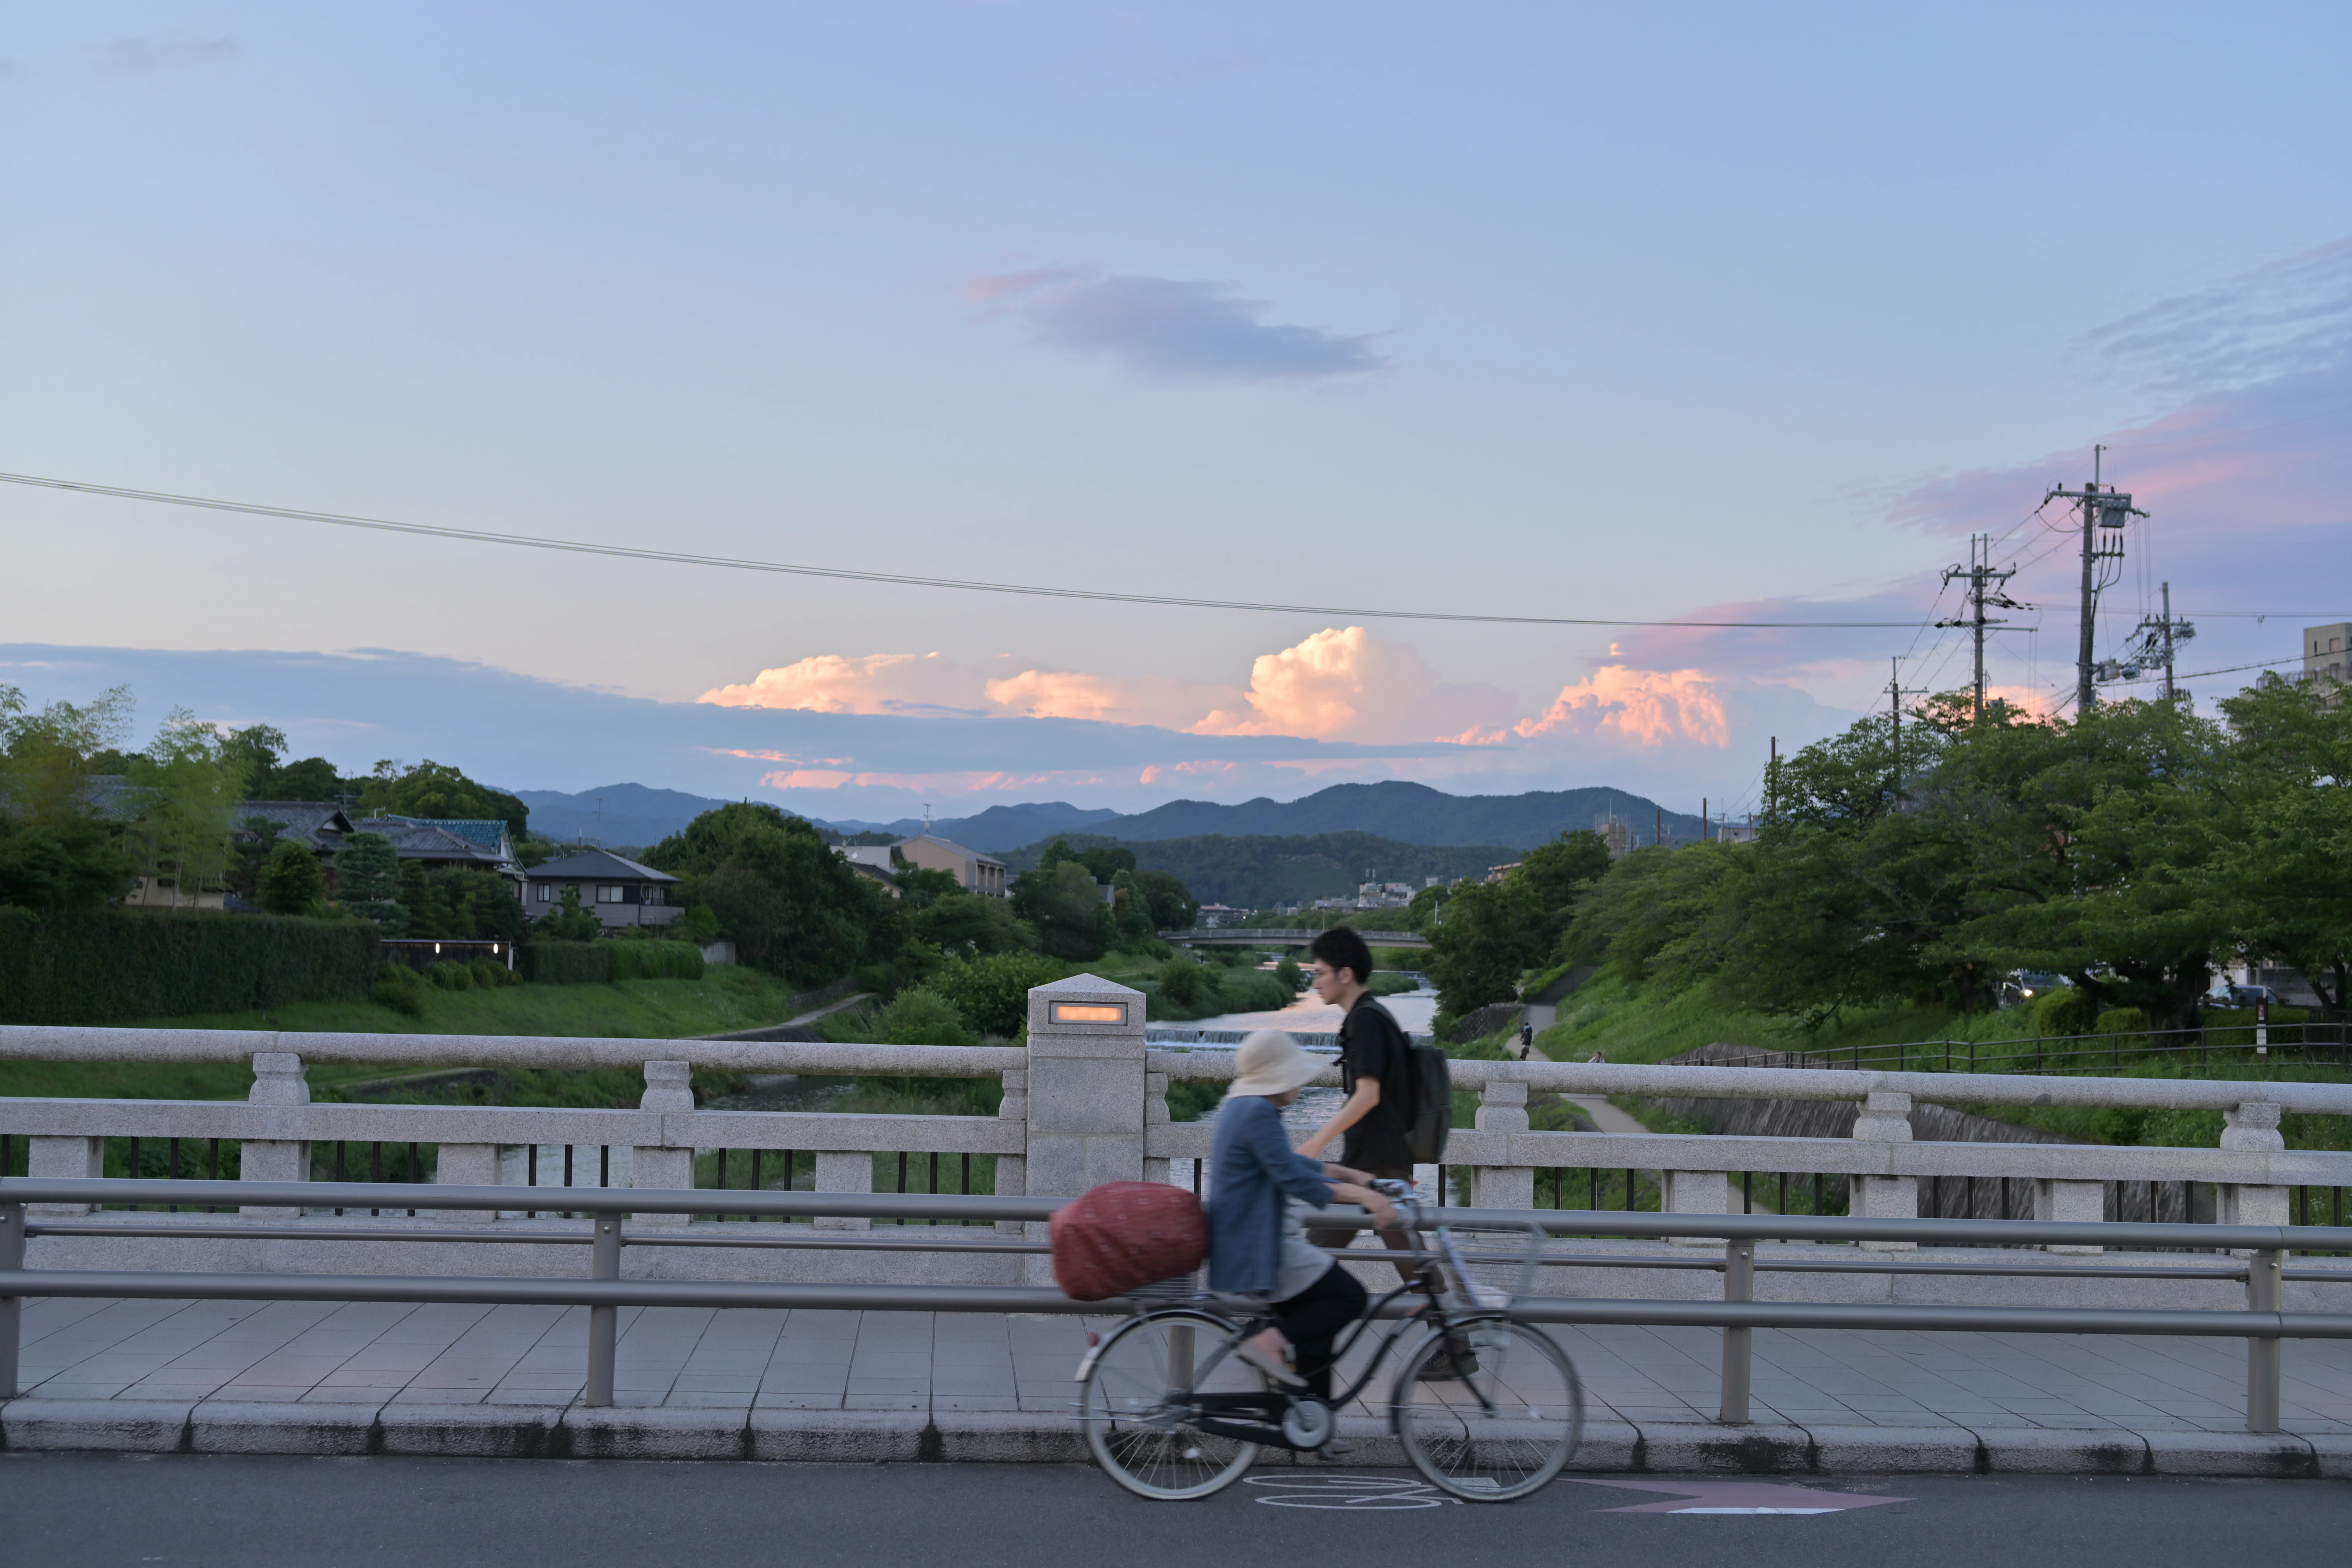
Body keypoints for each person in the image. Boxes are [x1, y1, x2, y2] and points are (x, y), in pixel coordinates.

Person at [1206, 1029, 1396, 1409]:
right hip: (1262, 1246)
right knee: (1349, 1298)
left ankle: (1314, 1422)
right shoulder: (1258, 1112)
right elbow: (1291, 1177)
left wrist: (1349, 1175)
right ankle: (1267, 1342)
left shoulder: (1244, 1106)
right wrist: (1365, 1196)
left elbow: (1285, 1162)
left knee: (1316, 1334)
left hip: (1253, 1239)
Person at [1295, 927, 1419, 1283]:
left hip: (1376, 1167)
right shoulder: (1374, 1015)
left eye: (1320, 973)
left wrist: (1315, 1143)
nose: (1316, 982)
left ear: (1345, 974)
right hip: (1373, 1165)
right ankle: (1456, 1334)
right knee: (1418, 1270)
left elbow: (1369, 1095)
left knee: (1308, 1263)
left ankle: (1459, 1334)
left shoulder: (1365, 1021)